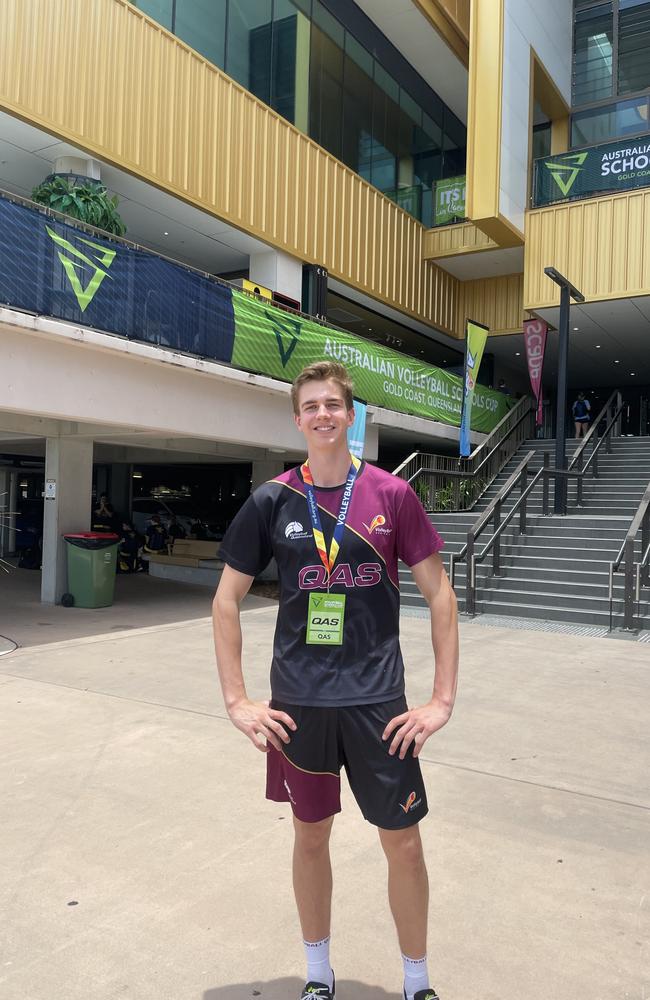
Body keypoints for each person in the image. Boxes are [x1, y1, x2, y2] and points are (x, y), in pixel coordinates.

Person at [213, 361, 458, 1000]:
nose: (323, 414)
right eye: (311, 405)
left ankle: (417, 983)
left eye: (333, 404)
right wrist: (237, 701)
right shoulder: (271, 500)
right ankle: (317, 976)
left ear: (352, 416)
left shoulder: (391, 495)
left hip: (379, 704)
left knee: (403, 845)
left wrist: (441, 700)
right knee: (310, 838)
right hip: (299, 706)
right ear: (298, 419)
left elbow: (441, 595)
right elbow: (225, 600)